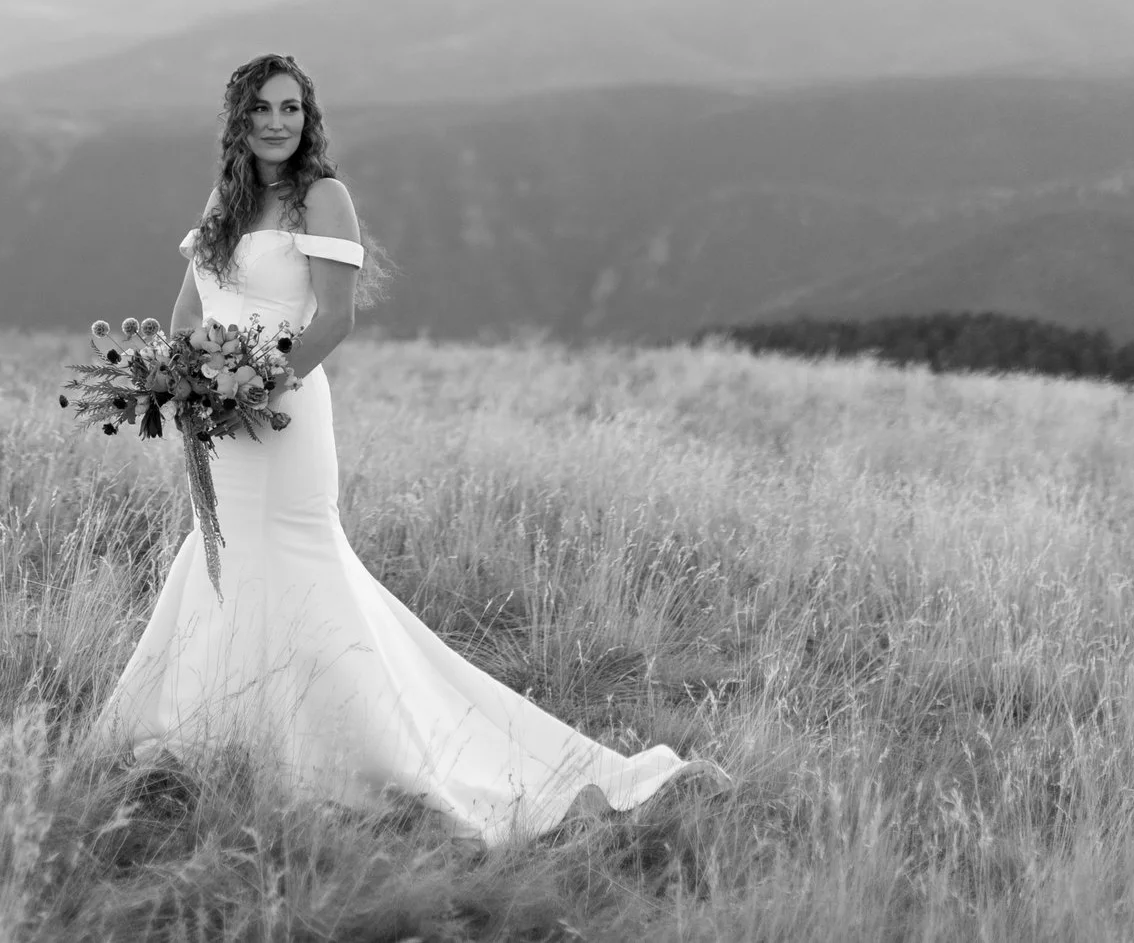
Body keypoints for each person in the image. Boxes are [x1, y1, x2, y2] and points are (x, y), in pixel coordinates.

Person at [93, 53, 702, 845]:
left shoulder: (325, 196)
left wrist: (254, 386)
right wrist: (178, 382)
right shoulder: (225, 203)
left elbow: (333, 318)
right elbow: (190, 308)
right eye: (261, 109)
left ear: (307, 118)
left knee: (300, 568)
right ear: (236, 120)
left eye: (291, 108)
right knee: (223, 558)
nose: (278, 122)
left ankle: (358, 750)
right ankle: (226, 734)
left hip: (282, 416)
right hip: (218, 424)